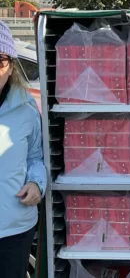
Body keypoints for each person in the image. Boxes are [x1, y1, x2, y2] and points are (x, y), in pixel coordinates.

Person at [0, 20, 47, 278]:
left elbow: (36, 158)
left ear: (11, 67)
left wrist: (37, 184)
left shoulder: (27, 110)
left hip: (14, 231)